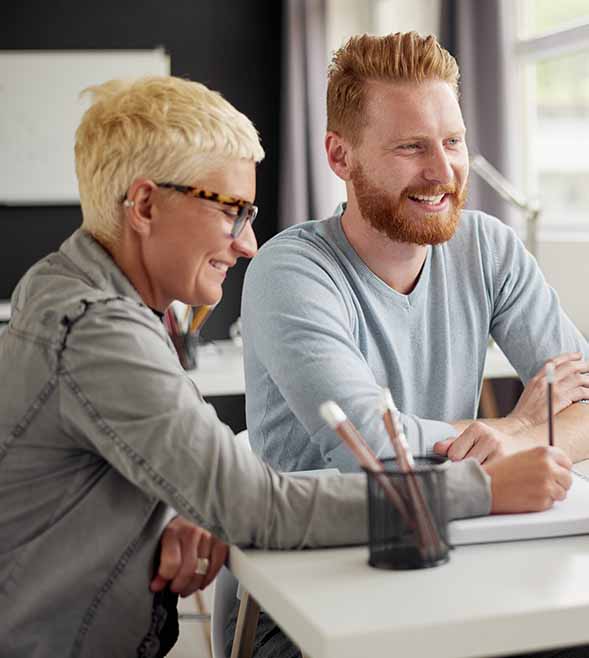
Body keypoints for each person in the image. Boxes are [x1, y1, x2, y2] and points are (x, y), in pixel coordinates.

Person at [238, 32, 589, 657]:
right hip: (322, 588)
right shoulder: (290, 270)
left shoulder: (489, 246)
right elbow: (373, 449)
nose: (442, 170)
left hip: (470, 560)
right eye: (410, 147)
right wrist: (505, 433)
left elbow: (585, 402)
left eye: (452, 141)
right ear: (340, 157)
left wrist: (514, 436)